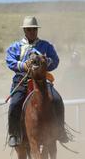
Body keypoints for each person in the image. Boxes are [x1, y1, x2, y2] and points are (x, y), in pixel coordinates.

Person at [5, 16, 68, 147]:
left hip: (42, 80)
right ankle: (14, 133)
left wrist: (45, 62)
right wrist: (24, 65)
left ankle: (60, 130)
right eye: (29, 30)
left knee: (56, 99)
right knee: (15, 104)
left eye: (34, 29)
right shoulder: (16, 47)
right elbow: (10, 61)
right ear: (24, 31)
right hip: (22, 79)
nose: (32, 32)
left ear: (37, 30)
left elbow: (55, 60)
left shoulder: (46, 46)